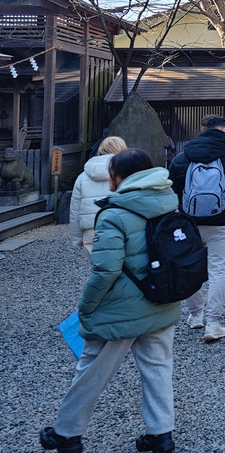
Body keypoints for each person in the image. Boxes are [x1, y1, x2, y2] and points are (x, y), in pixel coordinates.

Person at [41, 149, 180, 453]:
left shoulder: (114, 214)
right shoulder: (168, 202)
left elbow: (105, 270)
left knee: (92, 369)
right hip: (163, 299)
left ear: (117, 177)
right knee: (158, 367)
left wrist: (86, 307)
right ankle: (161, 434)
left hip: (121, 308)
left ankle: (67, 433)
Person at [167, 114, 225, 343]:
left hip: (190, 221)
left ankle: (195, 315)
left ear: (202, 130)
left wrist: (180, 218)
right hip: (222, 222)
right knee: (218, 270)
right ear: (224, 129)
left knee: (190, 268)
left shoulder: (182, 158)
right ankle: (213, 323)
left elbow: (172, 191)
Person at [68, 136, 127, 259]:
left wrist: (77, 238)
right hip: (120, 227)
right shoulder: (125, 173)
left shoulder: (83, 176)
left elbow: (75, 210)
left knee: (98, 269)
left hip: (91, 230)